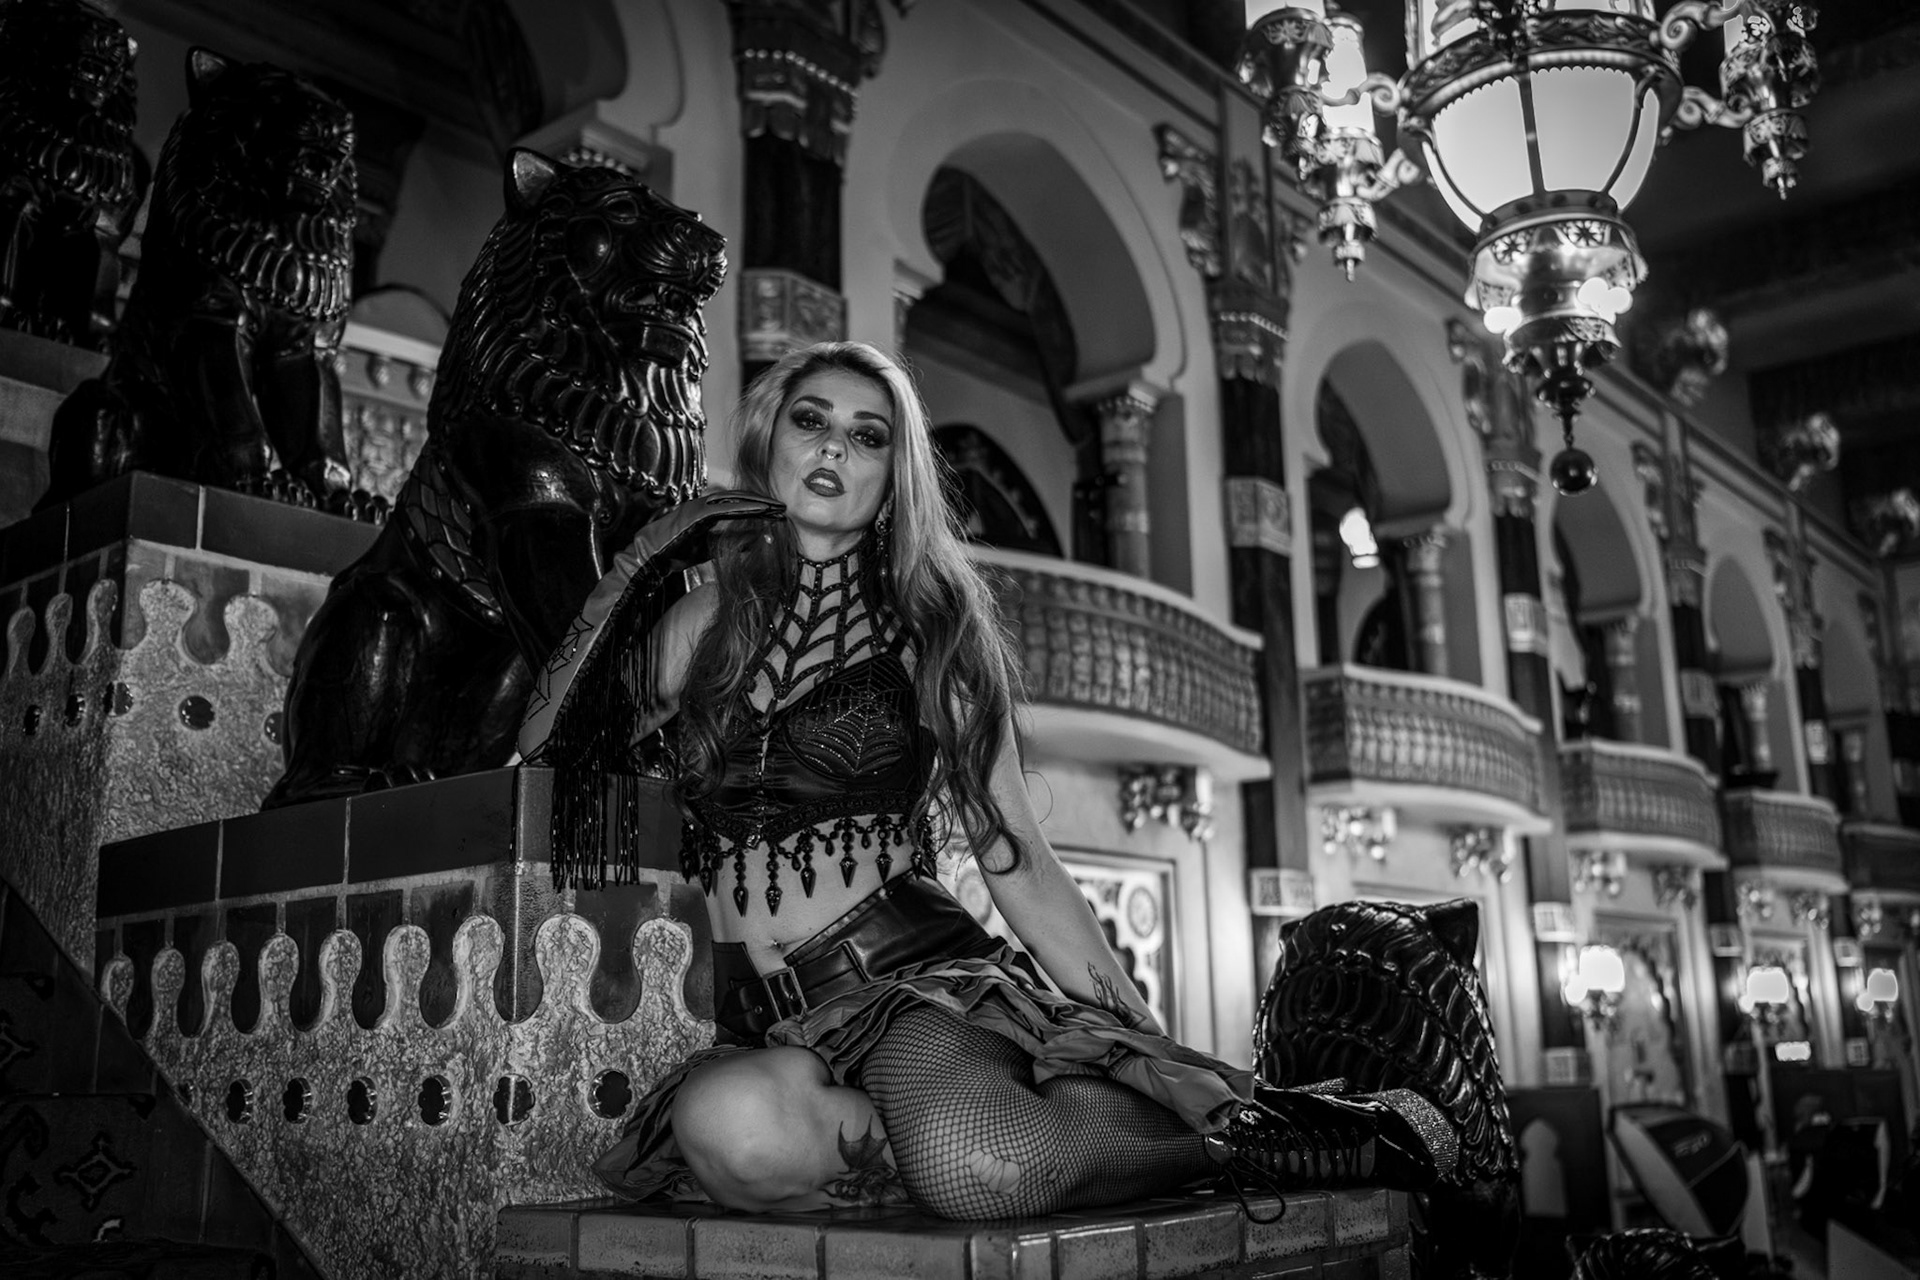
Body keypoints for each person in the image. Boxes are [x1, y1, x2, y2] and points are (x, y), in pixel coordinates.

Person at [518, 340, 1459, 1219]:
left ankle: (1276, 1133)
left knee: (982, 1163)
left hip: (908, 986)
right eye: (811, 421)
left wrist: (1147, 1042)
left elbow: (1016, 857)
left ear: (893, 477)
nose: (834, 448)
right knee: (734, 1131)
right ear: (770, 442)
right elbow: (544, 747)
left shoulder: (933, 632)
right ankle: (978, 1148)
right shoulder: (700, 623)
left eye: (867, 436)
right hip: (764, 1023)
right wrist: (645, 561)